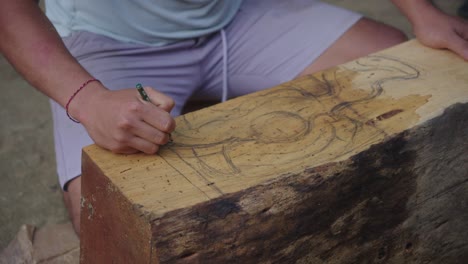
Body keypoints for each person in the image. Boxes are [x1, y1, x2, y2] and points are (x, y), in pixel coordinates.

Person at [0, 0, 467, 235]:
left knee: (395, 69)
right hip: (109, 40)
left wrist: (421, 12)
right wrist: (86, 98)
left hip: (234, 17)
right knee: (109, 217)